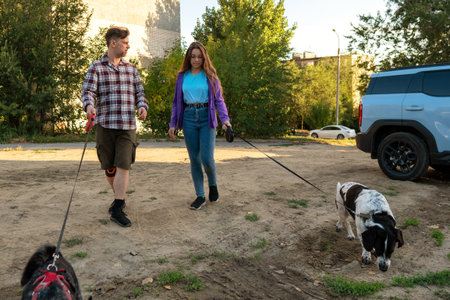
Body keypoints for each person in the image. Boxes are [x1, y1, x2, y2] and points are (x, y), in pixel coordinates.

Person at [81, 27, 148, 227]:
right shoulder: (96, 67)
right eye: (125, 42)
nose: (128, 46)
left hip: (127, 125)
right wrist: (89, 105)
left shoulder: (131, 69)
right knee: (109, 167)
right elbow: (88, 91)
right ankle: (119, 199)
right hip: (105, 125)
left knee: (123, 165)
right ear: (113, 43)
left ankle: (118, 206)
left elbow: (139, 92)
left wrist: (142, 106)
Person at [168, 41, 231, 210]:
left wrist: (225, 120)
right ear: (188, 58)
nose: (196, 60)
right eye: (193, 57)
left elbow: (219, 100)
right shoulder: (182, 76)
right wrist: (173, 123)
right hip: (188, 118)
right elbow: (176, 102)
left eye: (199, 57)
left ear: (204, 58)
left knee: (206, 158)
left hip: (206, 118)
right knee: (194, 159)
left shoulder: (210, 76)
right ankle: (200, 195)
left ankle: (213, 185)